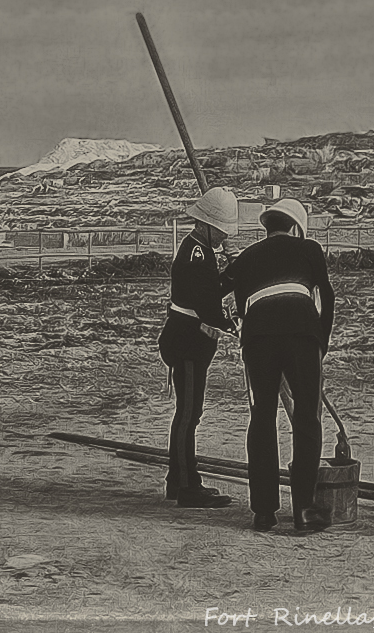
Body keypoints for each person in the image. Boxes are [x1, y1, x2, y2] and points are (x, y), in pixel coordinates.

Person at [218, 199, 335, 533]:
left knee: (262, 419)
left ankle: (264, 512)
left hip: (258, 339)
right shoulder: (310, 248)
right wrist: (320, 341)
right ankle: (304, 509)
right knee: (307, 419)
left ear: (267, 228)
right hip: (302, 335)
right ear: (296, 227)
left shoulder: (246, 258)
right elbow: (326, 296)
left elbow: (234, 299)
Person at [157, 187, 238, 508]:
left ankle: (178, 481)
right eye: (220, 229)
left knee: (190, 413)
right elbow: (207, 302)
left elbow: (211, 290)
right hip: (187, 341)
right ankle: (187, 486)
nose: (223, 236)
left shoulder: (199, 249)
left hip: (189, 339)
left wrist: (232, 273)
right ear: (205, 224)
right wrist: (231, 324)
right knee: (188, 414)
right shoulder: (197, 253)